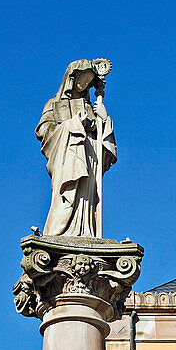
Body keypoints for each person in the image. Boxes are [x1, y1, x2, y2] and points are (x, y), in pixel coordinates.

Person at [37, 60, 115, 238]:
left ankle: (86, 232)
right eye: (83, 79)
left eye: (89, 81)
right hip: (67, 157)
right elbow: (44, 132)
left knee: (86, 199)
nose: (85, 84)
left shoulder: (90, 106)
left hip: (88, 157)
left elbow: (102, 138)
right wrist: (73, 124)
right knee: (67, 196)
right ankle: (59, 232)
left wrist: (104, 119)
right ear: (72, 78)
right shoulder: (53, 104)